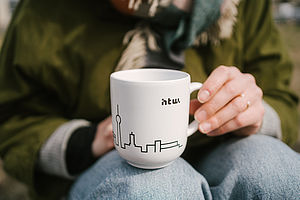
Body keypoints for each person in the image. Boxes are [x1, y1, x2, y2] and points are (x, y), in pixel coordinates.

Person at [0, 0, 300, 199]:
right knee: (154, 188)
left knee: (272, 170)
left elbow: (282, 97)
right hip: (104, 166)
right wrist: (85, 140)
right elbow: (15, 119)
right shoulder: (46, 10)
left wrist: (252, 113)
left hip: (223, 148)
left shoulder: (244, 5)